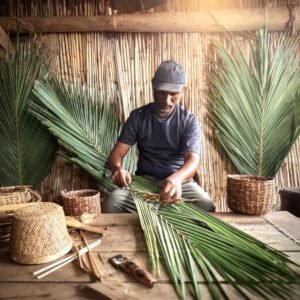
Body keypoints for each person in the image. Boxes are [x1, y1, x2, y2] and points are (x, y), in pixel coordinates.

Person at [102, 60, 215, 213]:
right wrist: (117, 169)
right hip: (144, 182)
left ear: (184, 89)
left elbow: (192, 160)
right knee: (112, 202)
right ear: (153, 85)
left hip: (179, 183)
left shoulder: (189, 120)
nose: (167, 101)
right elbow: (117, 153)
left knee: (206, 205)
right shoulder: (138, 117)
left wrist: (176, 179)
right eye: (161, 92)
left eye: (173, 94)